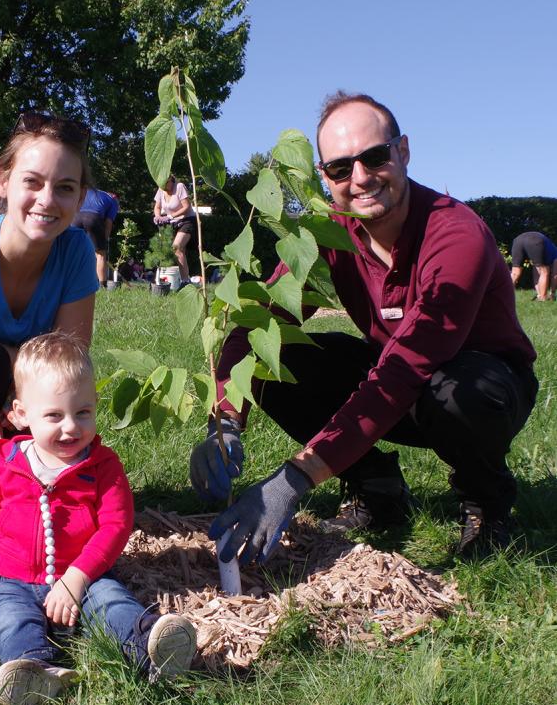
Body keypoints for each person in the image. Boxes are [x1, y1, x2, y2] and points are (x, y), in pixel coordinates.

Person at [191, 92, 538, 563]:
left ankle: (488, 500)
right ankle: (377, 487)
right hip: (394, 377)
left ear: (404, 152)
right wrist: (226, 418)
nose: (359, 178)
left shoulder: (456, 234)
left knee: (457, 392)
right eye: (339, 168)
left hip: (480, 385)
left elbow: (407, 369)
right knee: (277, 356)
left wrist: (295, 479)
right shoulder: (330, 234)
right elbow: (261, 324)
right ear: (324, 176)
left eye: (374, 157)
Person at [0, 332, 196, 705]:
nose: (71, 427)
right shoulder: (4, 460)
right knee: (8, 618)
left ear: (95, 406)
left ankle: (153, 647)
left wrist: (78, 577)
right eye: (54, 415)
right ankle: (32, 670)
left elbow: (115, 526)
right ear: (20, 414)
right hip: (13, 580)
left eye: (82, 412)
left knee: (113, 604)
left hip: (84, 578)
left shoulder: (101, 467)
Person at [0, 111, 101, 611]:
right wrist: (11, 359)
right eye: (32, 182)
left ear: (80, 198)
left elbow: (69, 365)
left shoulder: (75, 252)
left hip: (12, 410)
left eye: (64, 187)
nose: (46, 200)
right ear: (3, 182)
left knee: (55, 404)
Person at [153, 175, 196, 286]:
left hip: (186, 220)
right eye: (161, 185)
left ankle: (185, 282)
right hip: (172, 223)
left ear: (170, 181)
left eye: (165, 184)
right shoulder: (161, 190)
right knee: (178, 252)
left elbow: (186, 207)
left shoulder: (180, 187)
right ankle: (184, 280)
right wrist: (158, 217)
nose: (163, 187)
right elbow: (157, 207)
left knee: (177, 248)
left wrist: (170, 216)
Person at [73, 188, 119, 286]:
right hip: (93, 218)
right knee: (101, 255)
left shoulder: (91, 192)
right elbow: (108, 223)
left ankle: (72, 284)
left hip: (75, 217)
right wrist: (104, 241)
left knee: (74, 253)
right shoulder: (113, 201)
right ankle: (102, 286)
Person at [510, 230, 557, 301]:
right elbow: (555, 275)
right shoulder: (555, 253)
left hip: (518, 240)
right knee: (544, 271)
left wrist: (539, 293)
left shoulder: (549, 249)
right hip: (535, 240)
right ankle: (542, 299)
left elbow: (536, 274)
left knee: (515, 273)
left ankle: (503, 296)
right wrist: (552, 293)